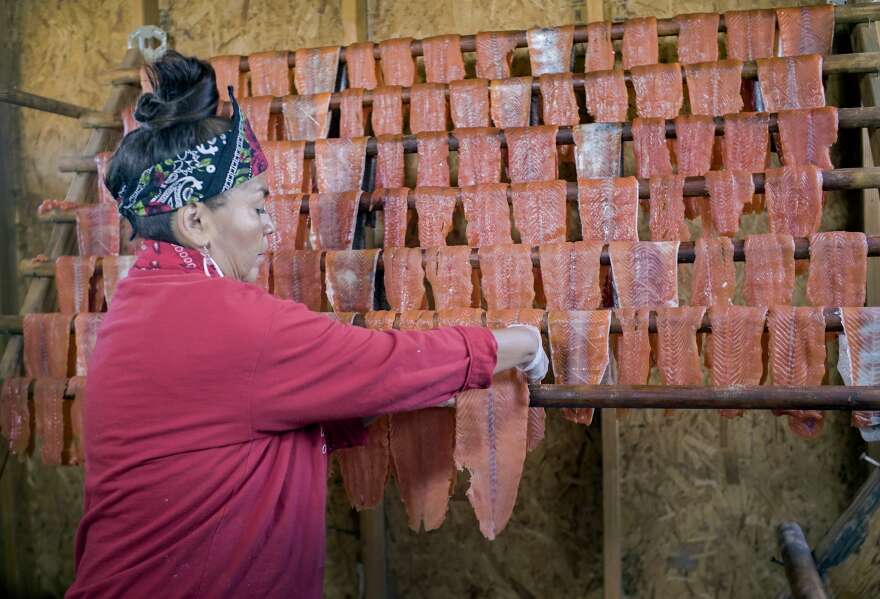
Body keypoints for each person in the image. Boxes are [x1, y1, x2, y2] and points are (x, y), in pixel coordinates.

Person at [65, 51, 548, 598]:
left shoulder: (138, 306)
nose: (271, 228)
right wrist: (516, 344)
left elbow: (232, 426)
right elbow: (384, 364)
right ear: (196, 220)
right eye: (257, 208)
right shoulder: (228, 323)